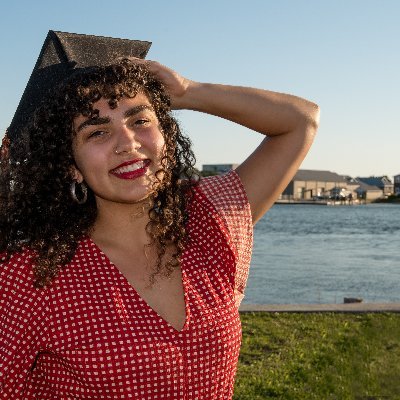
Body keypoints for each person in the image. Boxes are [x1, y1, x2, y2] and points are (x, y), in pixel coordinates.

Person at [0, 31, 319, 399]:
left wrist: (188, 92)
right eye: (97, 132)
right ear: (71, 165)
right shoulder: (30, 275)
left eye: (139, 121)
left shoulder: (207, 222)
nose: (128, 144)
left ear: (166, 132)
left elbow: (301, 121)